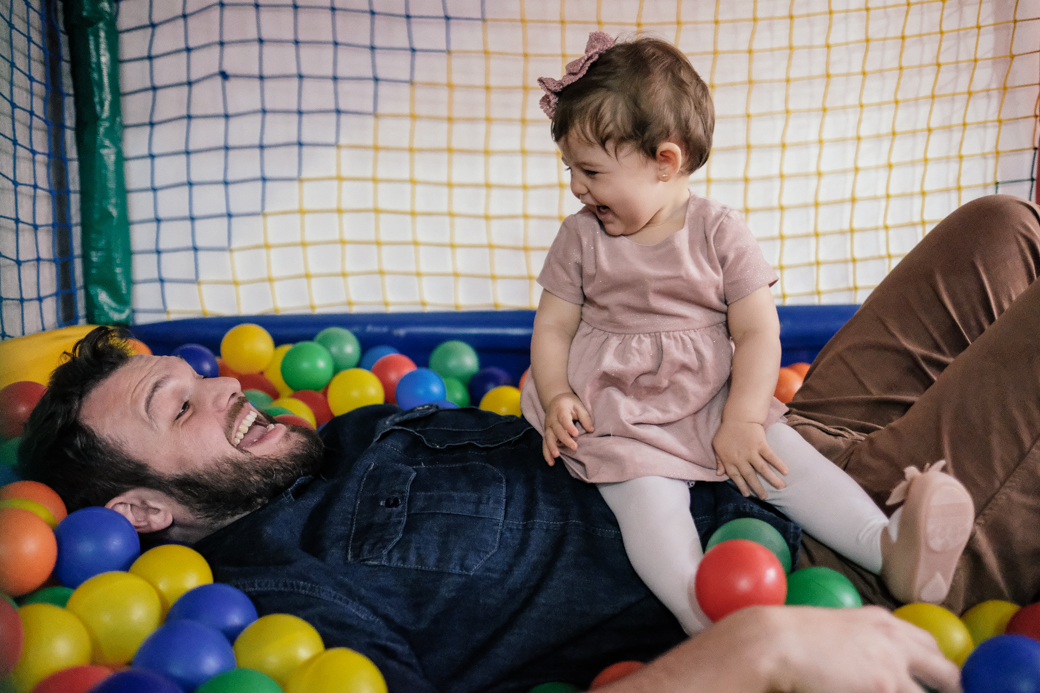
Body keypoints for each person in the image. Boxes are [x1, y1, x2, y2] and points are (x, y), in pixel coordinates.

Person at [17, 326, 961, 693]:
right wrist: (760, 647)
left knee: (999, 230)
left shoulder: (355, 428)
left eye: (203, 376)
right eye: (179, 408)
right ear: (140, 510)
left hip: (776, 444)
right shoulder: (280, 596)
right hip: (833, 584)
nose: (226, 391)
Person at [520, 31, 974, 634]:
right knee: (644, 499)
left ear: (665, 161)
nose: (577, 186)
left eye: (592, 172)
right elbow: (552, 327)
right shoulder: (580, 237)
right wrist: (557, 397)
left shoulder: (718, 232)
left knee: (783, 456)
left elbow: (759, 333)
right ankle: (700, 613)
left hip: (709, 398)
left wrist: (741, 418)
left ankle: (886, 547)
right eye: (571, 169)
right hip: (618, 408)